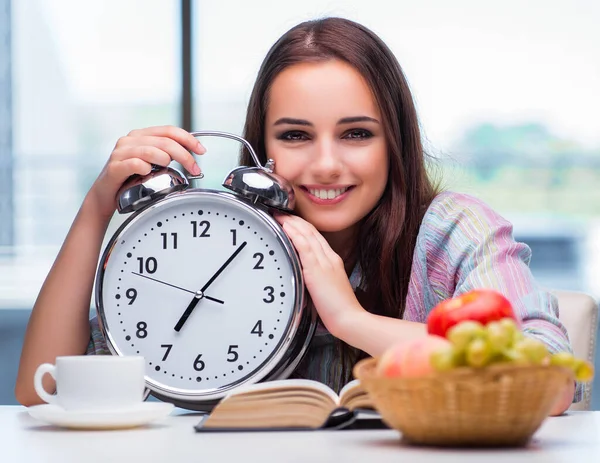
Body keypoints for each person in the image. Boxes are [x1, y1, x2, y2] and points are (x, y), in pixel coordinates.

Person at [15, 17, 579, 414]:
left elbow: (548, 383)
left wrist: (350, 318)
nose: (327, 164)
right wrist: (96, 208)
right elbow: (41, 392)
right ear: (262, 150)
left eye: (357, 134)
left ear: (394, 142)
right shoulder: (221, 239)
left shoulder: (455, 232)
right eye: (295, 136)